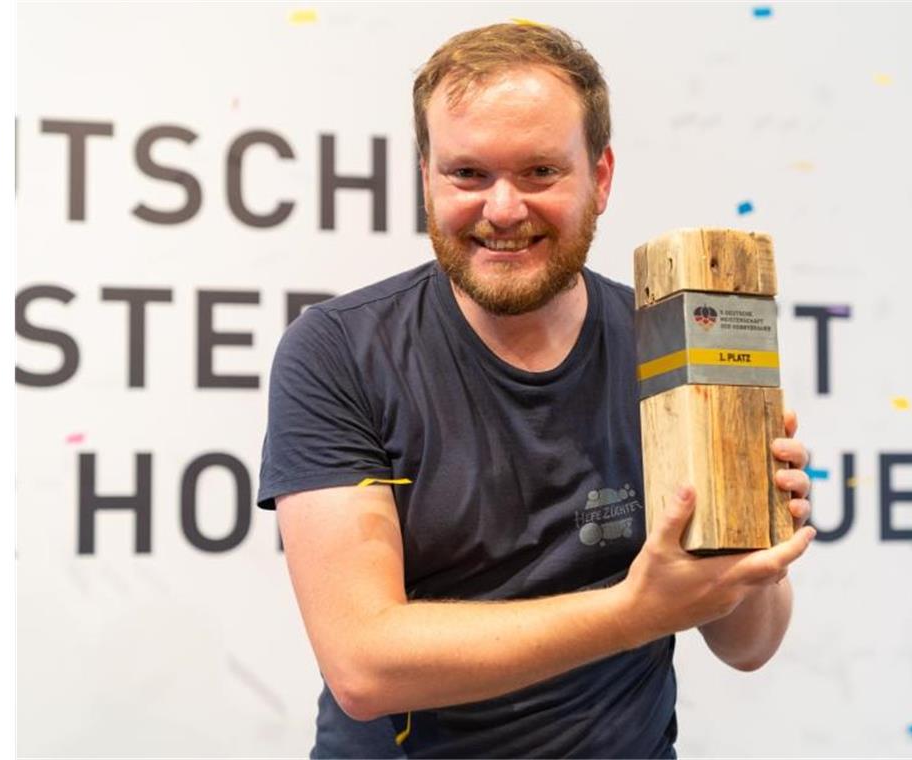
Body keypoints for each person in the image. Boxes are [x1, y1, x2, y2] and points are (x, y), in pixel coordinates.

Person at [257, 21, 815, 759]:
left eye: (540, 172)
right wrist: (634, 612)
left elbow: (749, 646)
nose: (503, 209)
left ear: (601, 178)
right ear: (426, 178)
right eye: (467, 174)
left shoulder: (668, 347)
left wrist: (752, 532)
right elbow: (365, 665)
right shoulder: (340, 351)